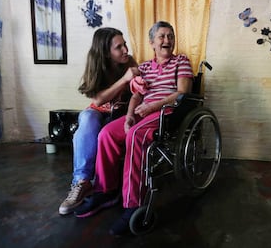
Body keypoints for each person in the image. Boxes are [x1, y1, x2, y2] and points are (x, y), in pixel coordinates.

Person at [73, 21, 194, 236]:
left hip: (166, 112)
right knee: (107, 134)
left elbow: (182, 92)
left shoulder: (181, 61)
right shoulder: (144, 67)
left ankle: (133, 204)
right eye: (162, 36)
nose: (167, 40)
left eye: (170, 36)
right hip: (141, 111)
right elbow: (136, 95)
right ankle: (106, 190)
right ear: (152, 43)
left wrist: (153, 106)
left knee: (136, 136)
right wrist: (129, 116)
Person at [58, 27, 139, 215]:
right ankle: (81, 182)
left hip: (121, 114)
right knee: (86, 118)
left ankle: (105, 187)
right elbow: (97, 100)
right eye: (119, 47)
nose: (125, 50)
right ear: (105, 52)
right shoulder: (95, 64)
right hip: (98, 111)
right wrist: (124, 80)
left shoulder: (130, 62)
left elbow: (139, 92)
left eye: (124, 44)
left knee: (102, 124)